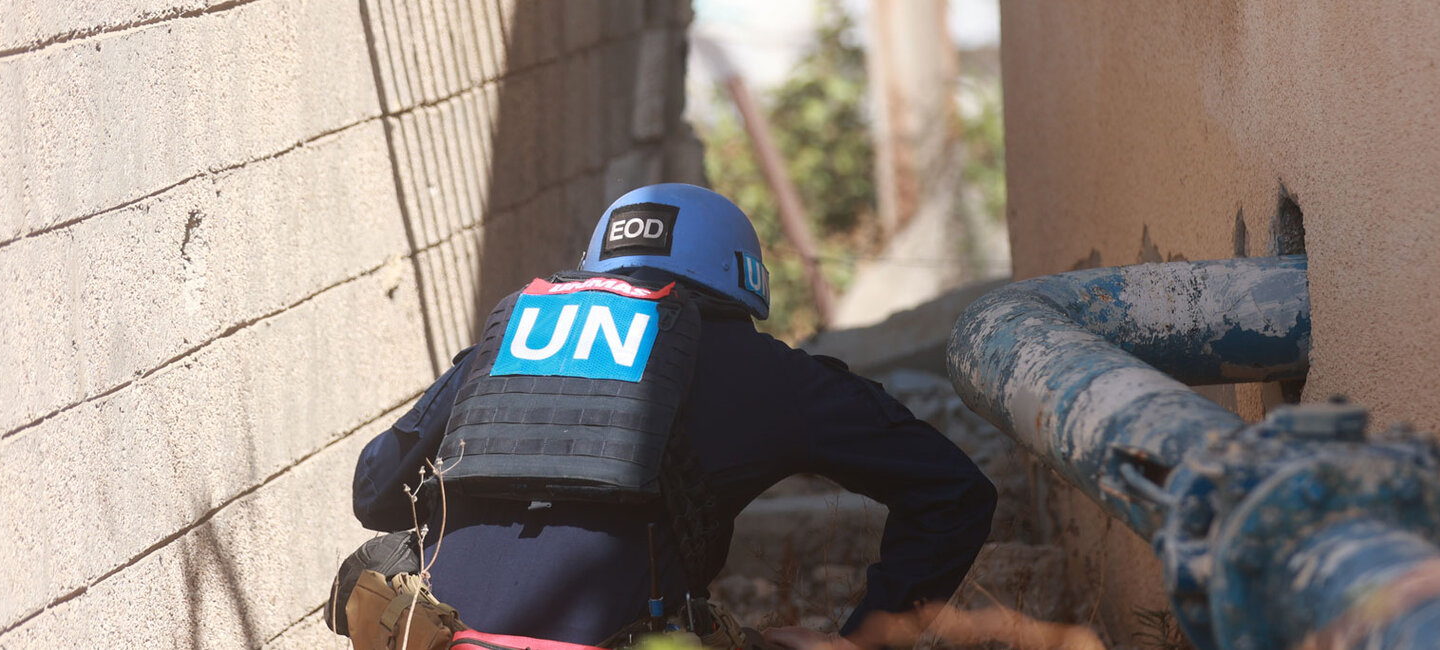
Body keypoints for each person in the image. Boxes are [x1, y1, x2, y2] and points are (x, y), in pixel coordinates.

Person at [341, 183, 996, 649]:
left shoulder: (510, 337)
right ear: (742, 283)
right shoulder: (764, 369)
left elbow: (375, 493)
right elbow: (954, 491)